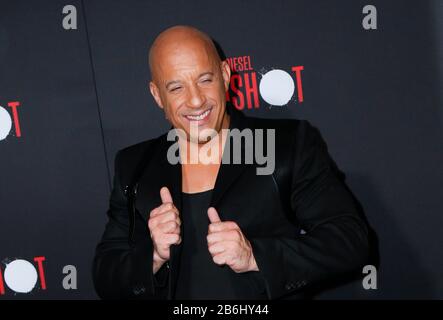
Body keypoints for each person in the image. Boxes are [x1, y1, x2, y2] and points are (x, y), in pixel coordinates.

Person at [92, 25, 369, 300]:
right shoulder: (135, 166)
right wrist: (153, 255)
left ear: (225, 75)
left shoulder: (285, 145)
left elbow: (349, 241)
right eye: (176, 87)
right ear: (157, 95)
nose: (196, 100)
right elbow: (106, 275)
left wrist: (254, 257)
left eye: (205, 79)